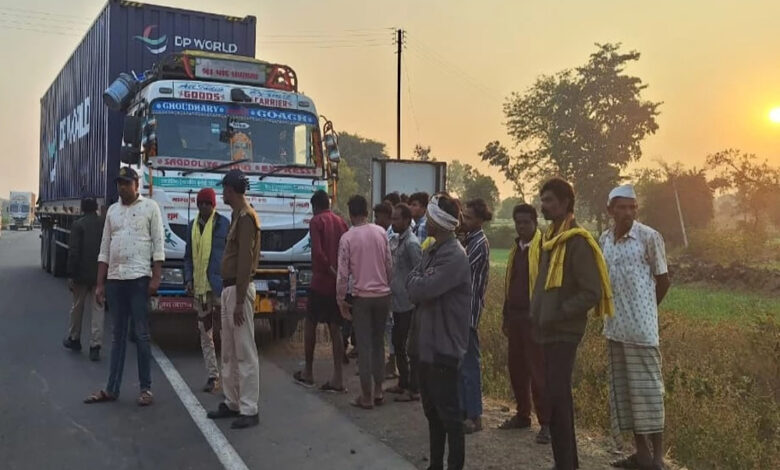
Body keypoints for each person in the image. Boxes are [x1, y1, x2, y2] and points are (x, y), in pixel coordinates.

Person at [530, 178, 613, 470]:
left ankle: (567, 464)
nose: (543, 206)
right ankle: (564, 462)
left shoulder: (578, 241)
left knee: (558, 397)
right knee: (554, 397)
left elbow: (591, 292)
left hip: (564, 331)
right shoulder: (550, 239)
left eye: (549, 200)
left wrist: (558, 312)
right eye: (543, 200)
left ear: (565, 203)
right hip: (547, 330)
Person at [600, 185, 670, 470]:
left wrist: (647, 310)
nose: (628, 212)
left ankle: (658, 458)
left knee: (650, 394)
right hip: (615, 329)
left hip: (642, 332)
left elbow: (663, 280)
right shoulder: (604, 239)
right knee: (628, 395)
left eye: (632, 207)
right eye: (622, 207)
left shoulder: (649, 237)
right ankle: (640, 454)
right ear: (610, 210)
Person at [84, 167, 164, 406]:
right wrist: (100, 284)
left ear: (136, 185)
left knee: (141, 335)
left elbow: (158, 245)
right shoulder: (112, 211)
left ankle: (146, 389)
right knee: (117, 337)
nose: (122, 187)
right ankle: (112, 389)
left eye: (126, 183)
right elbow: (104, 248)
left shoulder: (150, 208)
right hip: (115, 280)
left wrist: (156, 277)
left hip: (139, 279)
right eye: (119, 183)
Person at [407, 193, 471, 470]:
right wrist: (418, 280)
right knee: (433, 414)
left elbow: (422, 289)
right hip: (427, 346)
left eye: (430, 217)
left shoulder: (454, 256)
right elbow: (414, 284)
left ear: (438, 221)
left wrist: (418, 280)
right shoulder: (432, 249)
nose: (426, 221)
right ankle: (435, 465)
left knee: (450, 418)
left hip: (444, 347)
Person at [206, 169, 262, 429]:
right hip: (229, 289)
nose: (223, 193)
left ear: (231, 190)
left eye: (225, 189)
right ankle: (233, 402)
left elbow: (244, 262)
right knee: (228, 350)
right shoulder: (237, 216)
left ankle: (249, 408)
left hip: (239, 289)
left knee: (245, 352)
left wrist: (239, 300)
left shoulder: (247, 218)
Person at [498, 204, 551, 444]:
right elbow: (509, 284)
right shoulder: (515, 249)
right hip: (516, 316)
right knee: (517, 368)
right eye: (518, 223)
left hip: (534, 319)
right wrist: (506, 316)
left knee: (538, 371)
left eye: (526, 222)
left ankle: (547, 423)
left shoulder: (543, 248)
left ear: (535, 222)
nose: (521, 227)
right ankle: (522, 414)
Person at [336, 195, 393, 410]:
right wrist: (386, 285)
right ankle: (378, 391)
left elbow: (343, 274)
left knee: (364, 345)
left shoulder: (347, 238)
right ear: (367, 212)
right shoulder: (381, 233)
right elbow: (389, 264)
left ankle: (366, 396)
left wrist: (341, 299)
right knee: (378, 344)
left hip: (362, 297)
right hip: (382, 295)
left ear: (351, 214)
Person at [293, 190, 349, 392]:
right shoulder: (341, 222)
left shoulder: (316, 221)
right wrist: (339, 274)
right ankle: (338, 377)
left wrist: (329, 269)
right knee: (336, 328)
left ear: (315, 206)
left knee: (310, 323)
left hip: (320, 281)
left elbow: (317, 252)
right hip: (337, 283)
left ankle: (308, 372)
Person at [184, 188, 229, 393]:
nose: (203, 207)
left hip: (220, 287)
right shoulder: (191, 226)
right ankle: (213, 376)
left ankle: (228, 377)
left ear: (213, 205)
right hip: (201, 289)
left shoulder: (224, 224)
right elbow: (188, 257)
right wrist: (188, 279)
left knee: (227, 333)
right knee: (205, 333)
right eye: (200, 203)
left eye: (207, 203)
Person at [459, 198, 492, 434]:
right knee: (461, 364)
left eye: (469, 218)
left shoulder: (479, 244)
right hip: (461, 309)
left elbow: (459, 268)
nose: (464, 221)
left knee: (470, 365)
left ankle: (474, 415)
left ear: (480, 220)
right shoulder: (469, 240)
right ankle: (465, 410)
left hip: (468, 310)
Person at [384, 203, 422, 402]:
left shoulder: (412, 244)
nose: (393, 222)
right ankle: (403, 382)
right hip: (398, 302)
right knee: (398, 343)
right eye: (392, 218)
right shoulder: (398, 240)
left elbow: (419, 271)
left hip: (409, 303)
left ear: (407, 220)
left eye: (397, 219)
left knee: (409, 347)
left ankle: (414, 388)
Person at [63, 197, 105, 362]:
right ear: (96, 208)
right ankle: (95, 346)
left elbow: (73, 252)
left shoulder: (78, 225)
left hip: (80, 276)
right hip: (99, 275)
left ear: (82, 208)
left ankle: (74, 339)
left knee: (77, 307)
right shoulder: (103, 224)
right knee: (98, 309)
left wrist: (71, 275)